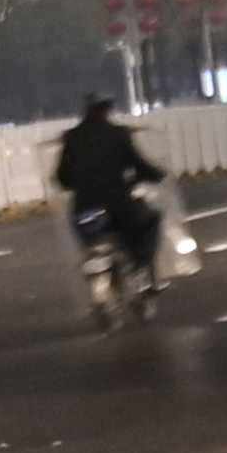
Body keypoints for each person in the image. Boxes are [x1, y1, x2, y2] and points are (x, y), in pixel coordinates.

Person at [49, 88, 162, 300]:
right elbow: (139, 164)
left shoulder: (72, 138)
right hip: (119, 207)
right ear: (107, 110)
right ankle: (142, 270)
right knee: (151, 221)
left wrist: (79, 184)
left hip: (84, 211)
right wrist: (156, 174)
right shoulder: (118, 134)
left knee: (88, 241)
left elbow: (61, 177)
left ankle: (102, 271)